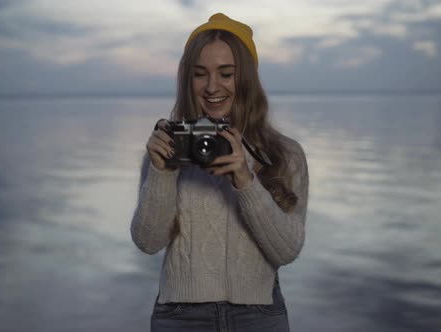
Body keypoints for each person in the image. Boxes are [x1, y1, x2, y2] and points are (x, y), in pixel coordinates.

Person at [130, 13, 309, 332]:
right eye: (200, 74)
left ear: (247, 79)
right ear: (189, 80)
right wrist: (161, 172)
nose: (212, 86)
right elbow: (148, 242)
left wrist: (246, 180)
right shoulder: (171, 147)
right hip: (180, 315)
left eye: (226, 73)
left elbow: (286, 250)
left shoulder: (285, 154)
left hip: (259, 314)